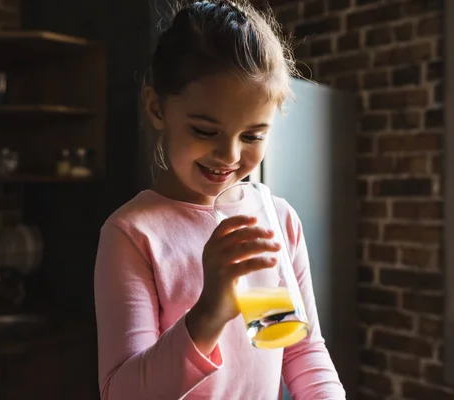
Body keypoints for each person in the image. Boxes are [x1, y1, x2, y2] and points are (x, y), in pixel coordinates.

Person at [93, 1, 346, 399]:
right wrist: (209, 313)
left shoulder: (277, 220)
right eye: (205, 130)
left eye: (252, 136)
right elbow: (122, 392)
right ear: (157, 107)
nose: (229, 156)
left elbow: (301, 351)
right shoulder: (132, 235)